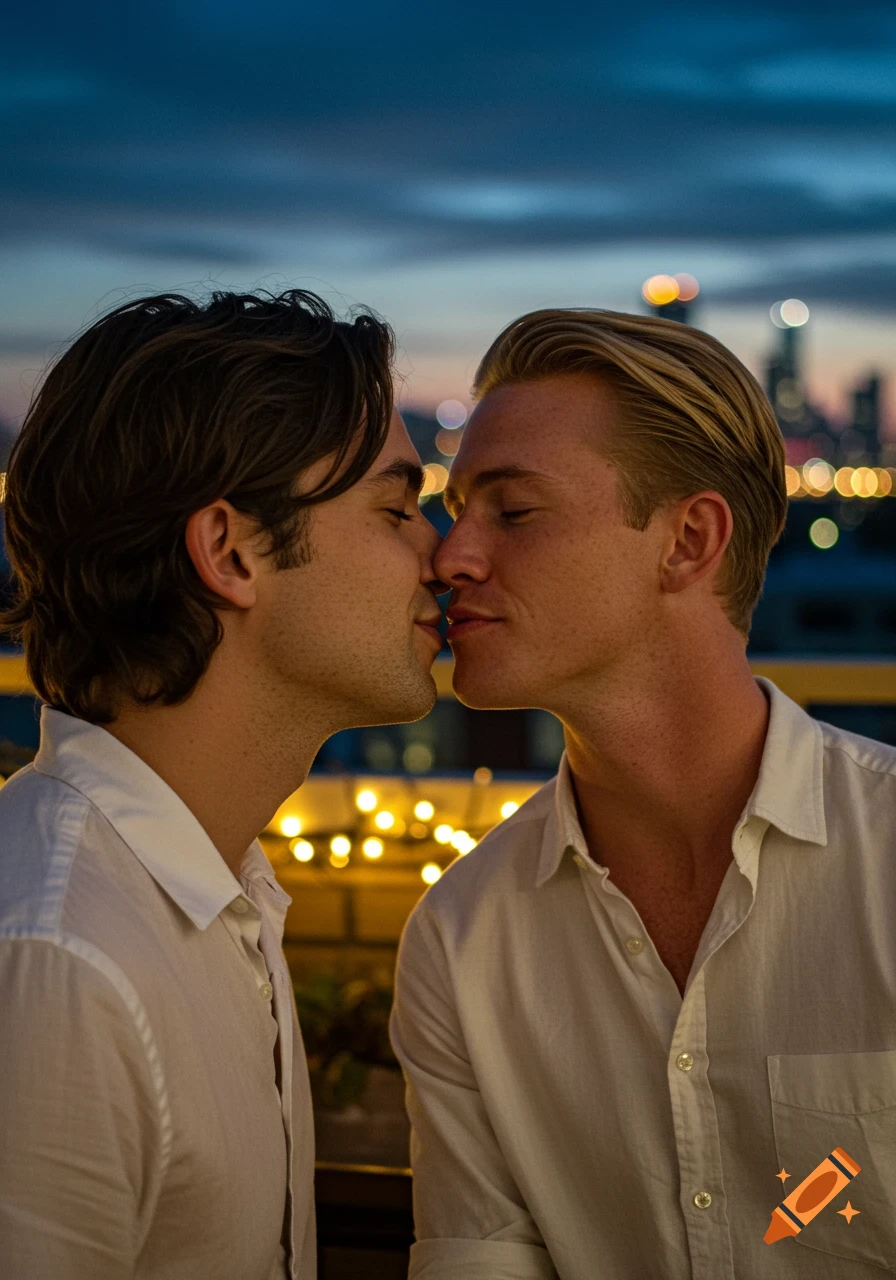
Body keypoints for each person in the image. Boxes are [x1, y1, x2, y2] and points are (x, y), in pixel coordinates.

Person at [390, 307, 896, 1279]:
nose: (449, 557)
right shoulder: (462, 940)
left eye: (513, 511)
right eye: (455, 510)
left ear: (688, 540)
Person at [0, 289, 444, 1279]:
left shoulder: (218, 898)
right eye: (396, 510)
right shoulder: (59, 961)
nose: (442, 554)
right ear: (230, 551)